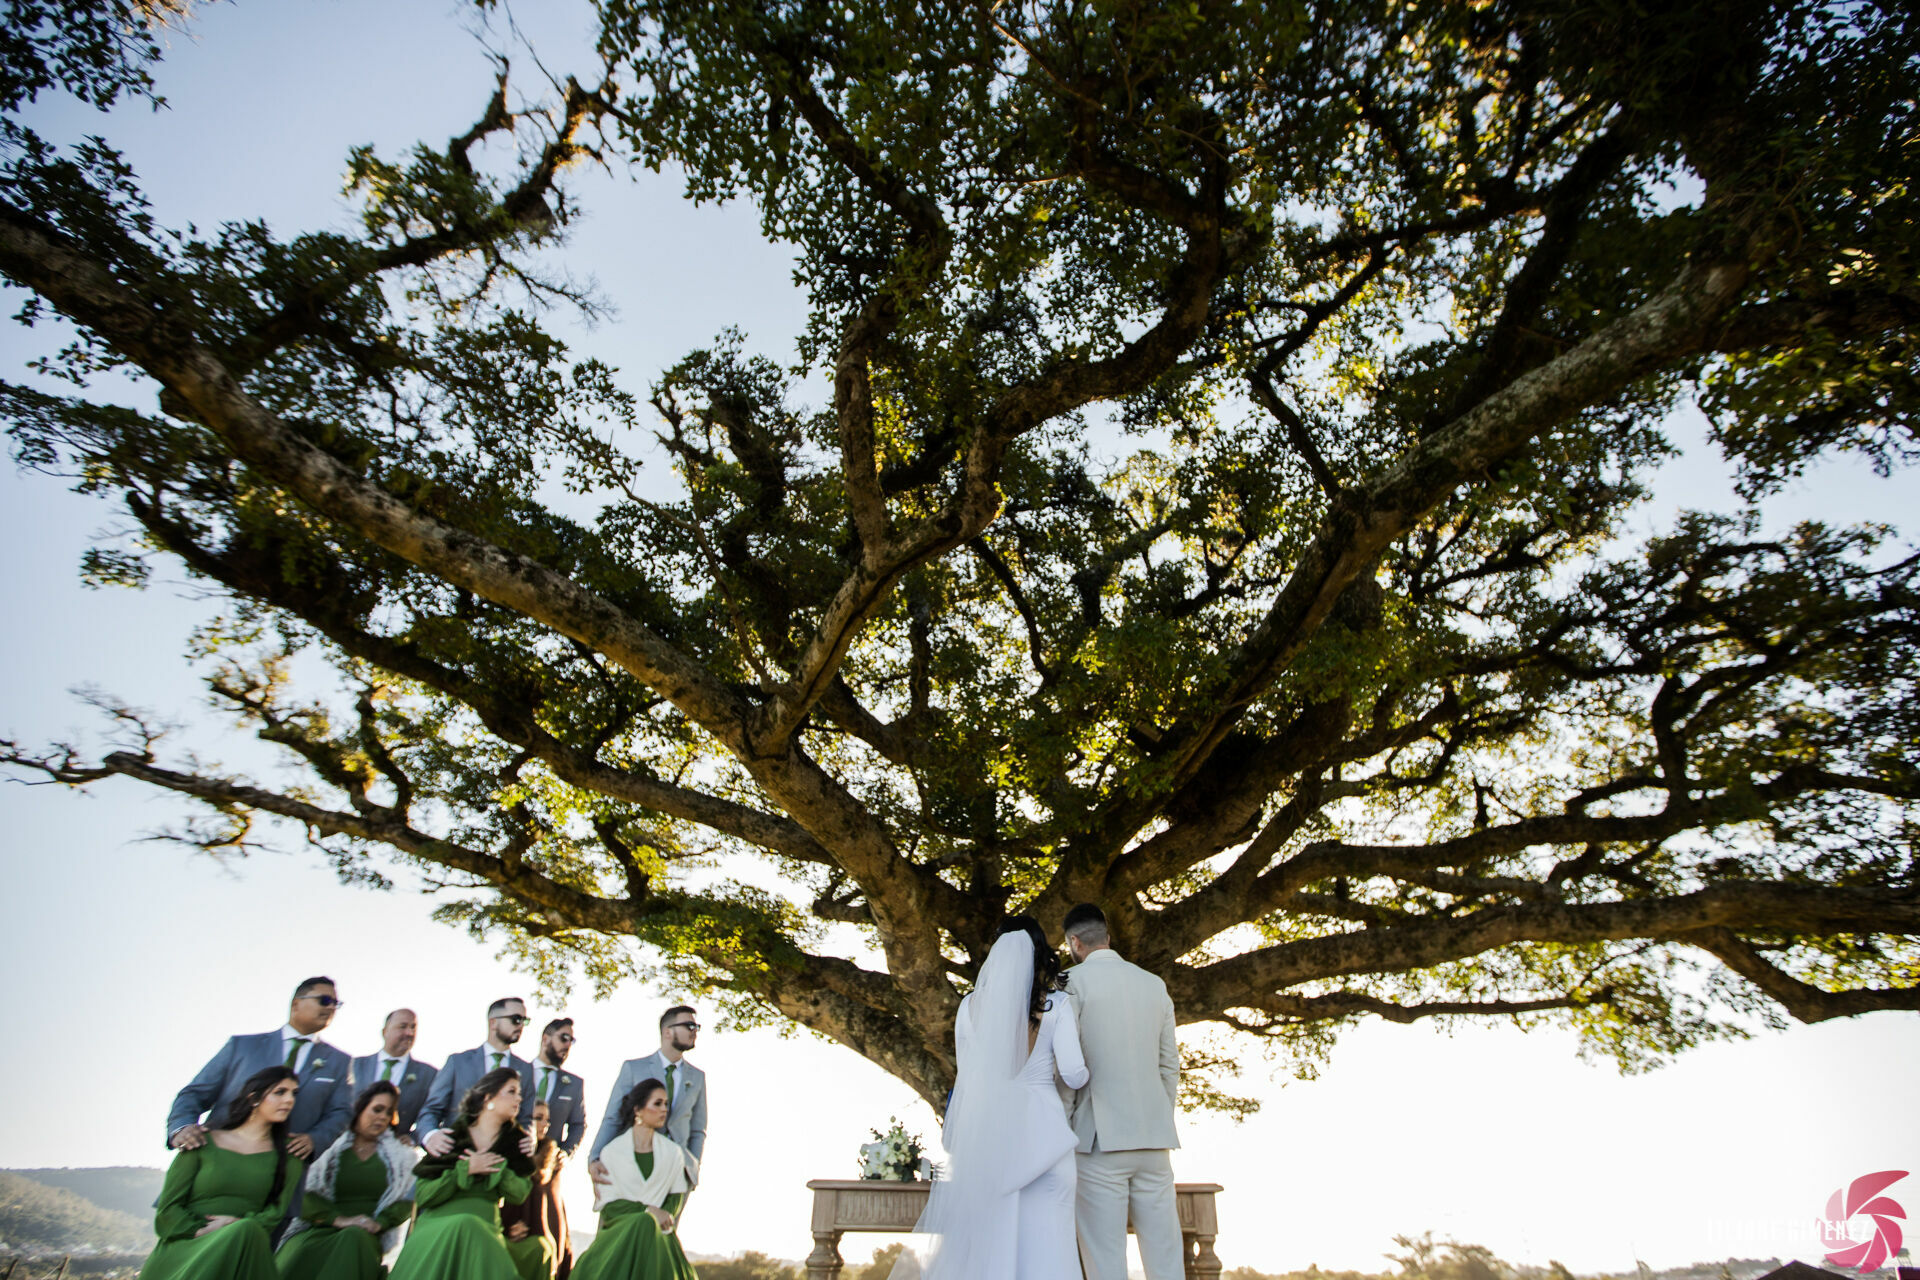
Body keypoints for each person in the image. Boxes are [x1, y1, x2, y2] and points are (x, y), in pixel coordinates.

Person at [903, 915, 1087, 1280]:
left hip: (990, 1145)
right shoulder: (1058, 1005)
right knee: (1050, 1247)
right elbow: (1075, 1074)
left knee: (995, 1246)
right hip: (1046, 1139)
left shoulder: (968, 1008)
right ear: (1040, 955)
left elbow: (968, 1074)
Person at [1061, 902, 1183, 1280]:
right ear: (1108, 937)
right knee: (1166, 1257)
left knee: (1105, 1260)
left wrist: (1064, 1128)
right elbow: (1169, 1066)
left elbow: (1067, 1068)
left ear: (1074, 942)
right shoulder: (1153, 984)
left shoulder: (1069, 983)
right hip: (1154, 1139)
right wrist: (1158, 1116)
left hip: (1099, 1140)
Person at [168, 977, 356, 1162]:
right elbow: (195, 1093)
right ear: (296, 1004)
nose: (331, 1007)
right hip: (214, 1158)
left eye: (336, 1003)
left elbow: (340, 1112)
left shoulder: (340, 1062)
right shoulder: (242, 1047)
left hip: (283, 1168)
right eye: (324, 1001)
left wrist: (316, 1139)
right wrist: (182, 1127)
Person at [143, 1066, 305, 1280]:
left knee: (247, 1230)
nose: (289, 1100)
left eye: (294, 1093)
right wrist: (202, 1230)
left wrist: (235, 1225)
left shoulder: (290, 1154)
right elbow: (168, 1209)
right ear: (254, 1098)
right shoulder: (202, 1142)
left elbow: (275, 1213)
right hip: (188, 1245)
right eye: (280, 1092)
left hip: (246, 1244)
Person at [388, 1067, 537, 1280]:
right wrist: (466, 1170)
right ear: (488, 1098)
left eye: (519, 1093)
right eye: (511, 1091)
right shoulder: (450, 1139)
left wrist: (498, 1169)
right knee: (465, 1223)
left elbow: (520, 1193)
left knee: (471, 1225)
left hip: (485, 1226)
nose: (519, 1098)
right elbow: (423, 1195)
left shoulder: (515, 1143)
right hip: (438, 1223)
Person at [276, 1081, 417, 1280]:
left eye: (388, 1112)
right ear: (359, 1109)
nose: (382, 1117)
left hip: (365, 1235)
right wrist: (339, 1219)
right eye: (377, 1109)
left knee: (353, 1237)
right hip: (318, 1228)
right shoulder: (329, 1147)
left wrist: (381, 1223)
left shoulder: (403, 1157)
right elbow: (302, 1194)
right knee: (301, 1251)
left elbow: (405, 1202)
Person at [569, 1078, 698, 1280]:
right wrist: (647, 1211)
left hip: (659, 1236)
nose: (664, 1109)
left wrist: (661, 1216)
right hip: (620, 1233)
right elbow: (610, 1206)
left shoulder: (674, 1153)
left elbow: (675, 1198)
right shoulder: (612, 1152)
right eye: (657, 1103)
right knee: (644, 1222)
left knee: (649, 1226)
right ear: (638, 1110)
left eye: (666, 1104)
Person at [589, 1007, 705, 1184]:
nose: (694, 1032)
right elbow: (613, 1117)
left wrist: (693, 1166)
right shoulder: (634, 1069)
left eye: (696, 1026)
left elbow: (698, 1129)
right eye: (689, 1026)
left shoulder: (697, 1077)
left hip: (678, 1172)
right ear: (667, 1032)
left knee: (665, 1214)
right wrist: (595, 1157)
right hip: (634, 1165)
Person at [417, 998, 536, 1154]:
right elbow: (431, 1109)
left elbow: (526, 1118)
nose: (520, 1026)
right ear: (493, 1022)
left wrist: (530, 1138)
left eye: (524, 1021)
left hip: (501, 1161)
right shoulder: (458, 1062)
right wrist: (430, 1135)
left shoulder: (526, 1070)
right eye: (516, 1019)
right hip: (454, 1157)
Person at [501, 1100, 569, 1280]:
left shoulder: (552, 1160)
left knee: (543, 1248)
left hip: (539, 1236)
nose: (545, 1124)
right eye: (538, 1118)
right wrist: (508, 1227)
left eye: (547, 1119)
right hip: (504, 1232)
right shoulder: (506, 1151)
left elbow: (555, 1214)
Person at [352, 1009, 439, 1144]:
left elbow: (433, 1113)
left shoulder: (429, 1075)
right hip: (350, 1145)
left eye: (413, 1028)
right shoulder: (355, 1065)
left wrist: (413, 1138)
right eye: (403, 1026)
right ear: (385, 1032)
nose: (409, 1033)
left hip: (393, 1154)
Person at [531, 1017, 588, 1158]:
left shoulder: (574, 1084)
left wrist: (565, 1153)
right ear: (545, 1039)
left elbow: (578, 1124)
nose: (568, 1044)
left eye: (571, 1040)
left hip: (546, 1167)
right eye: (564, 1038)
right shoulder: (518, 1073)